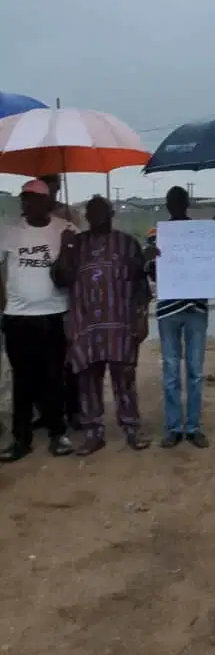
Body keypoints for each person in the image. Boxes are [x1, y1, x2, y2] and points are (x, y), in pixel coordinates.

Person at [53, 195, 151, 455]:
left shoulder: (127, 243)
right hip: (86, 325)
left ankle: (131, 428)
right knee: (87, 381)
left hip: (121, 325)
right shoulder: (76, 244)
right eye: (92, 212)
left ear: (111, 215)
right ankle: (93, 433)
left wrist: (141, 317)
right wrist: (65, 249)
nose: (96, 216)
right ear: (86, 217)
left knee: (125, 379)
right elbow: (60, 280)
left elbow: (141, 284)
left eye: (101, 211)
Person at [0, 179, 76, 463]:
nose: (28, 203)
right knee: (22, 380)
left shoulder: (65, 228)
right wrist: (3, 304)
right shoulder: (8, 230)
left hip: (54, 315)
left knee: (54, 377)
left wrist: (68, 245)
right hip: (18, 317)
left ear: (47, 202)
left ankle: (58, 434)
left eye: (33, 198)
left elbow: (74, 269)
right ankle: (21, 439)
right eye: (25, 198)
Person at [147, 186, 210, 449]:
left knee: (195, 371)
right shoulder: (157, 235)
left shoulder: (201, 234)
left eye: (180, 201)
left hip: (196, 307)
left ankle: (193, 427)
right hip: (169, 309)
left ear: (186, 203)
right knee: (171, 370)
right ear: (167, 205)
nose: (177, 205)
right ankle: (174, 428)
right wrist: (151, 260)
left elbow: (211, 264)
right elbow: (151, 274)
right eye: (173, 201)